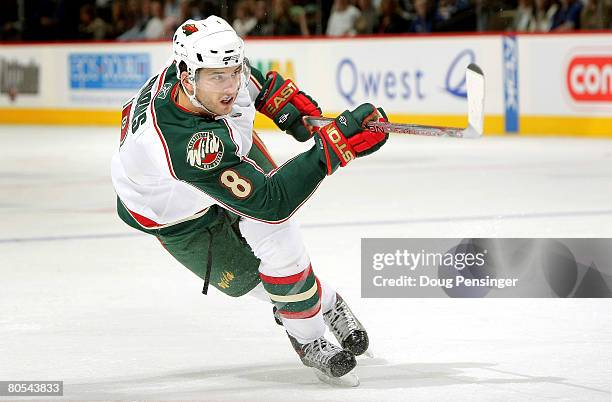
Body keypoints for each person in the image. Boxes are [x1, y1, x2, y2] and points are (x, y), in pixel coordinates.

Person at [111, 16, 388, 380]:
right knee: (258, 280)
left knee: (281, 242)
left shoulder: (197, 68)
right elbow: (271, 202)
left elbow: (236, 72)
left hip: (227, 151)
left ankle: (307, 338)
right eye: (216, 77)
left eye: (233, 72)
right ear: (187, 76)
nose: (229, 87)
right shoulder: (185, 144)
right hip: (178, 216)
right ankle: (326, 302)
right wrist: (333, 149)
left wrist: (272, 93)